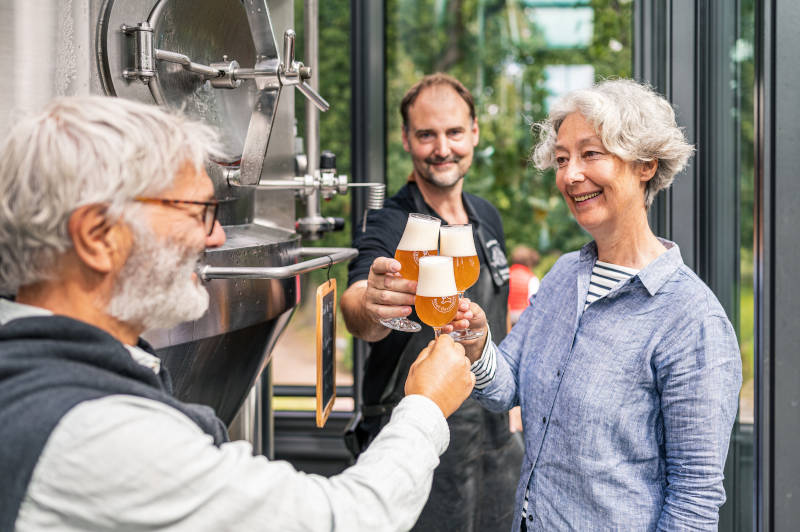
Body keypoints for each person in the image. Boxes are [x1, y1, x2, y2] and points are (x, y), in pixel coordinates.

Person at [0, 96, 477, 532]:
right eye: (198, 211)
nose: (217, 239)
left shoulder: (40, 369)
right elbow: (348, 520)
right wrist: (426, 404)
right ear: (98, 237)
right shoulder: (100, 435)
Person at [452, 79, 742, 530]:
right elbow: (505, 388)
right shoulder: (566, 273)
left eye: (591, 154)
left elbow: (694, 500)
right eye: (563, 158)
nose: (570, 175)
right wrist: (477, 343)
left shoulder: (693, 320)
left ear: (645, 163)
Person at [340, 73, 522, 531]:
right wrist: (375, 303)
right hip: (421, 436)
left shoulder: (486, 217)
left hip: (495, 437)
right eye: (426, 135)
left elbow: (495, 321)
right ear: (406, 139)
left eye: (454, 132)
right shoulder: (392, 223)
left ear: (474, 132)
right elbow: (357, 306)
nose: (442, 148)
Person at [507, 245, 541, 325]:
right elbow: (535, 302)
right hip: (523, 317)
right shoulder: (532, 278)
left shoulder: (507, 275)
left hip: (507, 316)